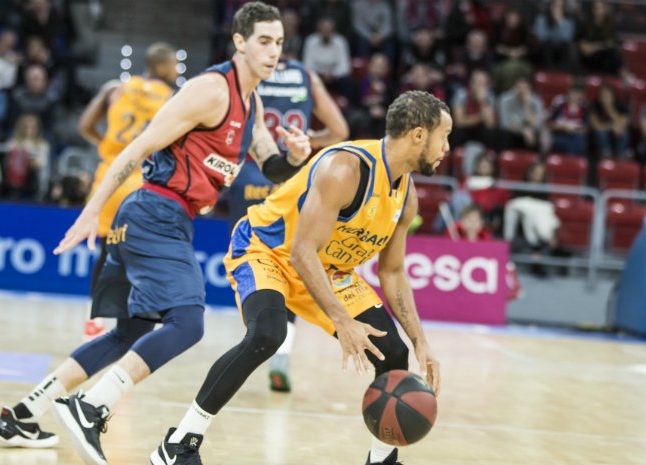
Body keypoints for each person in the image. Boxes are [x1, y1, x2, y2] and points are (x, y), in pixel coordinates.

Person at [0, 4, 312, 465]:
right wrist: (91, 210)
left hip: (158, 215)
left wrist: (295, 157)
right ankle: (90, 406)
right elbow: (138, 147)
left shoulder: (253, 103)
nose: (273, 51)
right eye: (264, 40)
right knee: (188, 322)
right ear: (239, 42)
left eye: (279, 42)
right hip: (154, 211)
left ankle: (22, 414)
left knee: (130, 332)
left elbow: (271, 165)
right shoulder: (210, 90)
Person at [149, 90, 446, 465]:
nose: (447, 148)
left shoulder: (406, 196)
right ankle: (178, 444)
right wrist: (341, 320)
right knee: (267, 334)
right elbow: (302, 253)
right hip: (267, 250)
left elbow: (392, 271)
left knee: (394, 352)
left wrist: (420, 341)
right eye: (444, 136)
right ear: (418, 135)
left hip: (328, 268)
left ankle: (382, 461)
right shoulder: (346, 168)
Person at [228, 53, 349, 392]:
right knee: (292, 265)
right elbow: (339, 131)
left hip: (250, 174)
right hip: (292, 179)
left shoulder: (247, 73)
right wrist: (308, 141)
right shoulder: (307, 76)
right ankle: (280, 355)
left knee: (251, 261)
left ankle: (256, 336)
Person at [77, 42, 178, 338]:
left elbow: (85, 125)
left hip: (109, 178)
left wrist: (107, 146)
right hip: (143, 180)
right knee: (145, 251)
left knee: (107, 251)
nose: (176, 70)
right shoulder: (172, 98)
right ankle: (141, 314)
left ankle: (94, 319)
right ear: (162, 66)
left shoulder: (114, 88)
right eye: (174, 64)